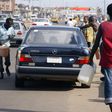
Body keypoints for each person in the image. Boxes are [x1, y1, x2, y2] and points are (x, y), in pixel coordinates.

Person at [89, 3, 112, 112]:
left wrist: (90, 58)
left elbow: (96, 43)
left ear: (108, 13)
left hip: (107, 60)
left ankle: (110, 102)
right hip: (107, 60)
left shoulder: (103, 25)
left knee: (109, 81)